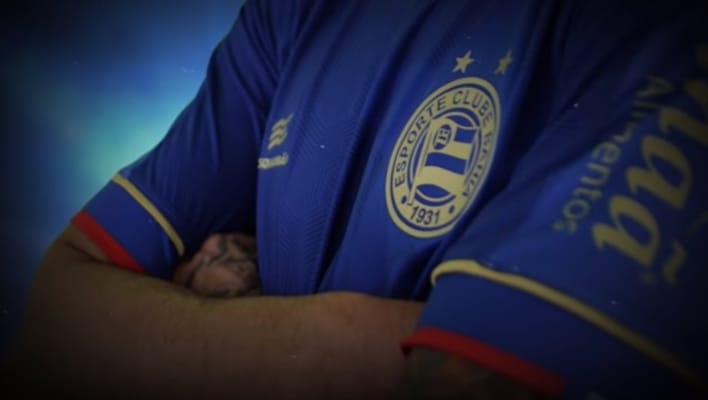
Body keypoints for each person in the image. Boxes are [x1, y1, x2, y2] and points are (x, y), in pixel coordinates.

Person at [5, 0, 708, 398]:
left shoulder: (652, 26)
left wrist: (208, 335)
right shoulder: (291, 14)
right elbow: (56, 323)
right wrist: (364, 335)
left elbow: (490, 382)